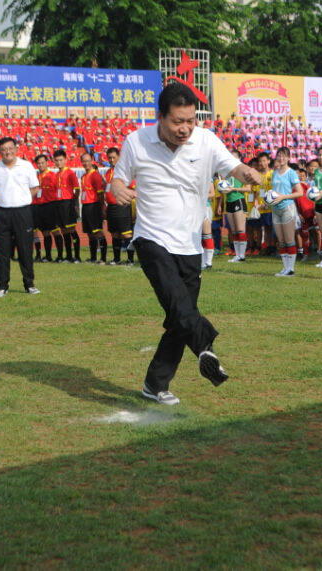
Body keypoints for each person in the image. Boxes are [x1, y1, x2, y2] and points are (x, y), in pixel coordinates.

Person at [110, 82, 261, 406]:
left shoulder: (205, 140)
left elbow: (232, 165)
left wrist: (245, 171)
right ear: (161, 118)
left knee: (179, 317)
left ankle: (155, 384)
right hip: (151, 237)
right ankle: (206, 346)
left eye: (191, 120)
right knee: (180, 305)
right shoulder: (137, 142)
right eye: (178, 121)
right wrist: (118, 188)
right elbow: (118, 176)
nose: (185, 128)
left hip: (191, 243)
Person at [0, 136, 40, 297]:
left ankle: (29, 284)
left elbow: (35, 187)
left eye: (10, 148)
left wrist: (23, 198)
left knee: (25, 249)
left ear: (16, 149)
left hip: (22, 212)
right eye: (4, 149)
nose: (7, 152)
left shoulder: (26, 166)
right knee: (1, 251)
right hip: (2, 213)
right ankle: (2, 286)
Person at [265, 147, 303, 276]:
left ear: (288, 158)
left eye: (284, 156)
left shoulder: (291, 172)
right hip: (275, 209)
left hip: (287, 208)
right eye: (279, 155)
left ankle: (291, 268)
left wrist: (283, 197)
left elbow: (300, 192)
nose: (281, 158)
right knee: (281, 240)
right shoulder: (274, 173)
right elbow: (273, 192)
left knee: (289, 239)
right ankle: (285, 267)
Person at [103, 147, 135, 265]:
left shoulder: (124, 171)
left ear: (119, 157)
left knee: (126, 233)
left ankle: (130, 259)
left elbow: (132, 187)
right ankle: (116, 259)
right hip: (111, 206)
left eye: (113, 157)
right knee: (115, 233)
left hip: (122, 206)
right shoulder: (108, 173)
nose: (111, 160)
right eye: (109, 158)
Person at [53, 150, 82, 262]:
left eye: (61, 160)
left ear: (65, 160)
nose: (59, 162)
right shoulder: (56, 175)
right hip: (59, 204)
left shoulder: (70, 173)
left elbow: (77, 189)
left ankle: (77, 256)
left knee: (71, 230)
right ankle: (69, 256)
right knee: (64, 231)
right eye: (56, 160)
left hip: (67, 203)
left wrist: (73, 201)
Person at [79, 152, 107, 264]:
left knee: (98, 232)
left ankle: (103, 258)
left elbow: (100, 193)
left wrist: (101, 207)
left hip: (94, 205)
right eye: (84, 161)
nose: (86, 163)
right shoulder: (83, 176)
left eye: (87, 160)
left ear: (92, 160)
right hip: (86, 206)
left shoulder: (95, 175)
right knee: (90, 233)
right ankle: (93, 257)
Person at [34, 154, 57, 262]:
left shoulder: (52, 175)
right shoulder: (36, 177)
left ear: (47, 163)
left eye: (43, 162)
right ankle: (48, 256)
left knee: (55, 231)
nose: (41, 165)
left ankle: (61, 256)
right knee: (45, 233)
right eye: (38, 163)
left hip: (51, 206)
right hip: (40, 206)